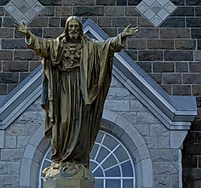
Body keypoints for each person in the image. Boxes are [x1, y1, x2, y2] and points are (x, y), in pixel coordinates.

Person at [16, 17, 139, 166]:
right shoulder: (57, 45)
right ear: (67, 29)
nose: (73, 29)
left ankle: (76, 160)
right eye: (71, 26)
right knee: (64, 121)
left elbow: (107, 46)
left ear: (80, 29)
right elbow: (41, 46)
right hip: (63, 87)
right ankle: (61, 158)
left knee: (79, 123)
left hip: (81, 88)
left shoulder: (89, 45)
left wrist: (122, 36)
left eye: (76, 26)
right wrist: (28, 34)